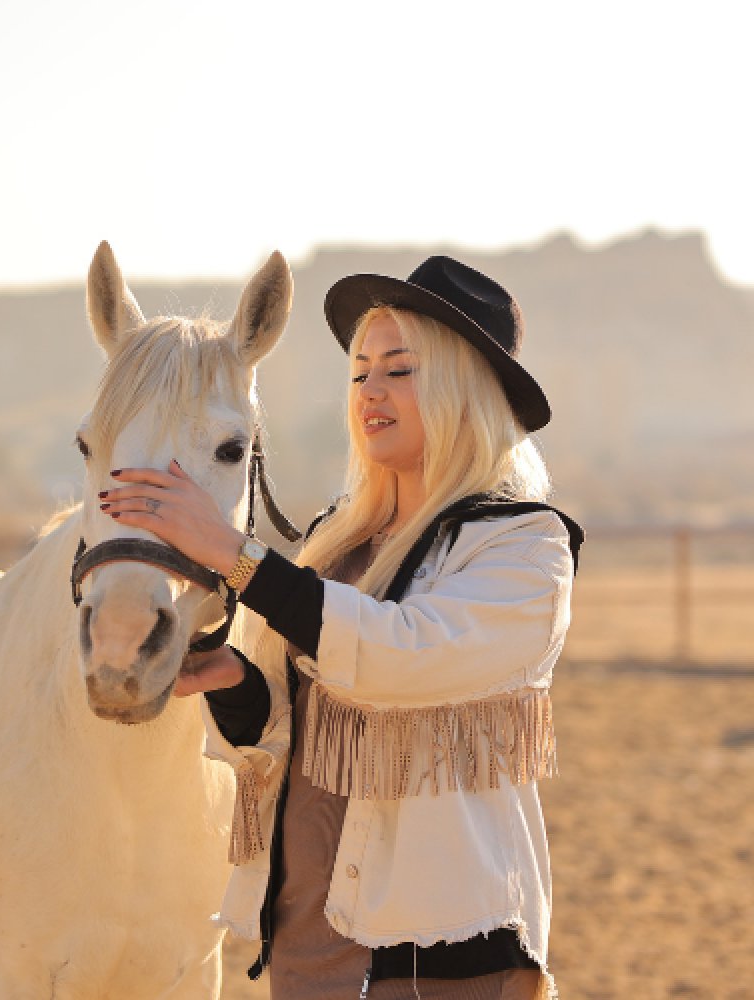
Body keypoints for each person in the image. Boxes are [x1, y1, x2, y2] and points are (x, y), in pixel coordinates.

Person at [99, 256, 583, 999]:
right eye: (359, 373)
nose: (370, 392)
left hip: (443, 956)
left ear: (464, 387)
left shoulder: (524, 546)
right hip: (308, 945)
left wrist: (230, 552)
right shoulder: (334, 538)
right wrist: (236, 684)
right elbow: (295, 729)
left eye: (399, 369)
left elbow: (403, 659)